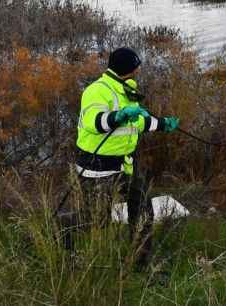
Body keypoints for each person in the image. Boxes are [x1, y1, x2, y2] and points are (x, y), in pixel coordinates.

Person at [72, 47, 179, 266]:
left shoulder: (126, 90)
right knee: (94, 219)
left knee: (142, 210)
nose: (139, 70)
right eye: (136, 66)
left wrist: (162, 124)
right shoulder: (96, 90)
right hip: (97, 168)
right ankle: (55, 237)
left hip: (125, 166)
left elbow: (138, 122)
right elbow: (94, 122)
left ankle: (141, 261)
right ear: (128, 69)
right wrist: (117, 116)